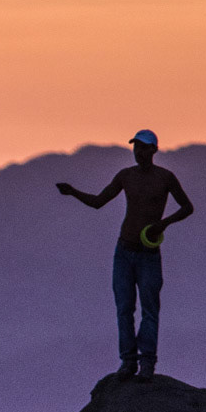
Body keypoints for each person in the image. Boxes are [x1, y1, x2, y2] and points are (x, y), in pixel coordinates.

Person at [56, 129, 193, 382]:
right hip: (125, 250)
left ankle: (147, 362)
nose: (139, 152)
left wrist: (163, 223)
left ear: (154, 150)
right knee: (124, 308)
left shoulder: (165, 178)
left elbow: (187, 207)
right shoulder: (125, 176)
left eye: (144, 148)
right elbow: (99, 201)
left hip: (149, 253)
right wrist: (73, 192)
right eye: (135, 148)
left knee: (150, 309)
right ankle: (128, 362)